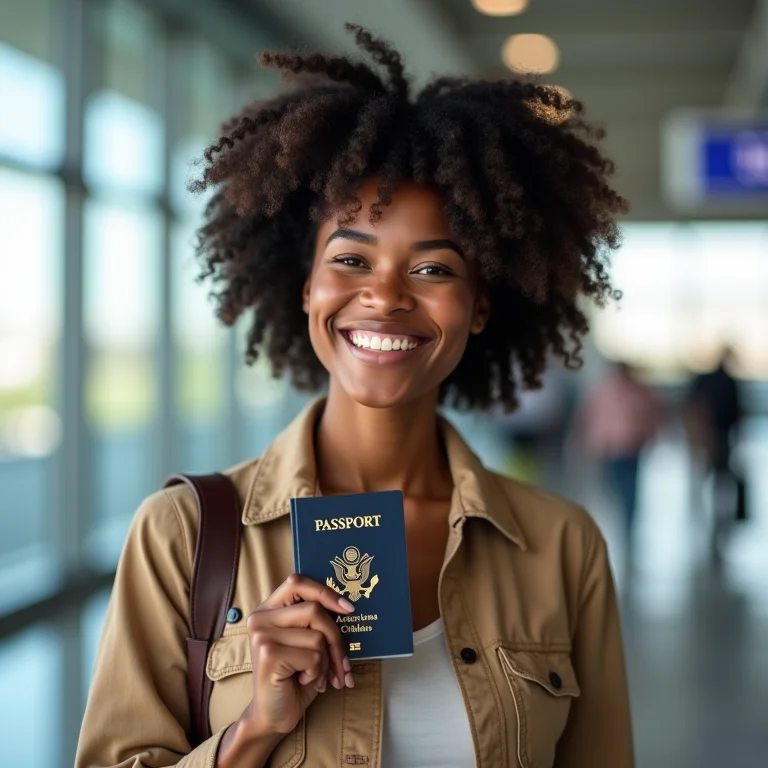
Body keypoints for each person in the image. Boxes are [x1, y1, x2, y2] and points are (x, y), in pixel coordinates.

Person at [76, 24, 634, 768]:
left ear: (480, 306)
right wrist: (254, 730)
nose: (384, 297)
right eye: (350, 259)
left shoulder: (563, 547)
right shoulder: (183, 534)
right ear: (306, 287)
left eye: (433, 270)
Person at [578, 362, 663, 551]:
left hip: (632, 448)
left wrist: (650, 438)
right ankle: (622, 517)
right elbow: (592, 418)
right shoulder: (604, 391)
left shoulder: (639, 392)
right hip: (611, 450)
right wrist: (590, 444)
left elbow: (653, 416)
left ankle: (628, 525)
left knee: (630, 489)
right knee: (614, 487)